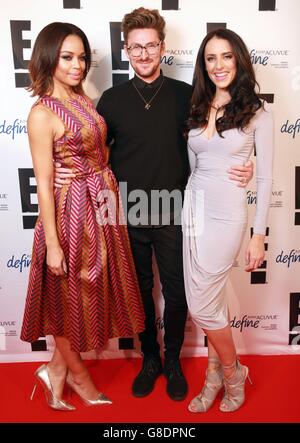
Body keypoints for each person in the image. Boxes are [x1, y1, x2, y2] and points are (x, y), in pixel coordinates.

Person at [54, 8, 254, 401]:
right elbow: (92, 152)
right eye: (135, 48)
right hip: (124, 215)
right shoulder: (110, 100)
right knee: (140, 293)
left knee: (178, 294)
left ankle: (173, 361)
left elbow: (217, 142)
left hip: (179, 214)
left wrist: (245, 168)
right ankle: (149, 359)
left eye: (151, 46)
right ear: (126, 50)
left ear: (162, 46)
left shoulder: (188, 96)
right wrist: (65, 172)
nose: (143, 54)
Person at [20, 22, 145, 411]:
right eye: (67, 57)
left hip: (100, 207)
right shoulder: (42, 113)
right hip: (70, 215)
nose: (78, 66)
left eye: (82, 58)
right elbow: (43, 183)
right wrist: (53, 244)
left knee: (90, 295)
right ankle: (78, 375)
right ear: (48, 58)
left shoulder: (83, 98)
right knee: (66, 297)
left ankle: (54, 371)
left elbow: (97, 152)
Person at [183, 28, 273, 413]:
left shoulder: (259, 113)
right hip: (193, 210)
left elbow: (267, 177)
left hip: (226, 215)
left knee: (201, 306)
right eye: (210, 58)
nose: (218, 65)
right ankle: (213, 375)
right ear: (204, 66)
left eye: (226, 57)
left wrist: (259, 235)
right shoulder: (198, 106)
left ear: (239, 60)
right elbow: (195, 166)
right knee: (209, 301)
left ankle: (234, 373)